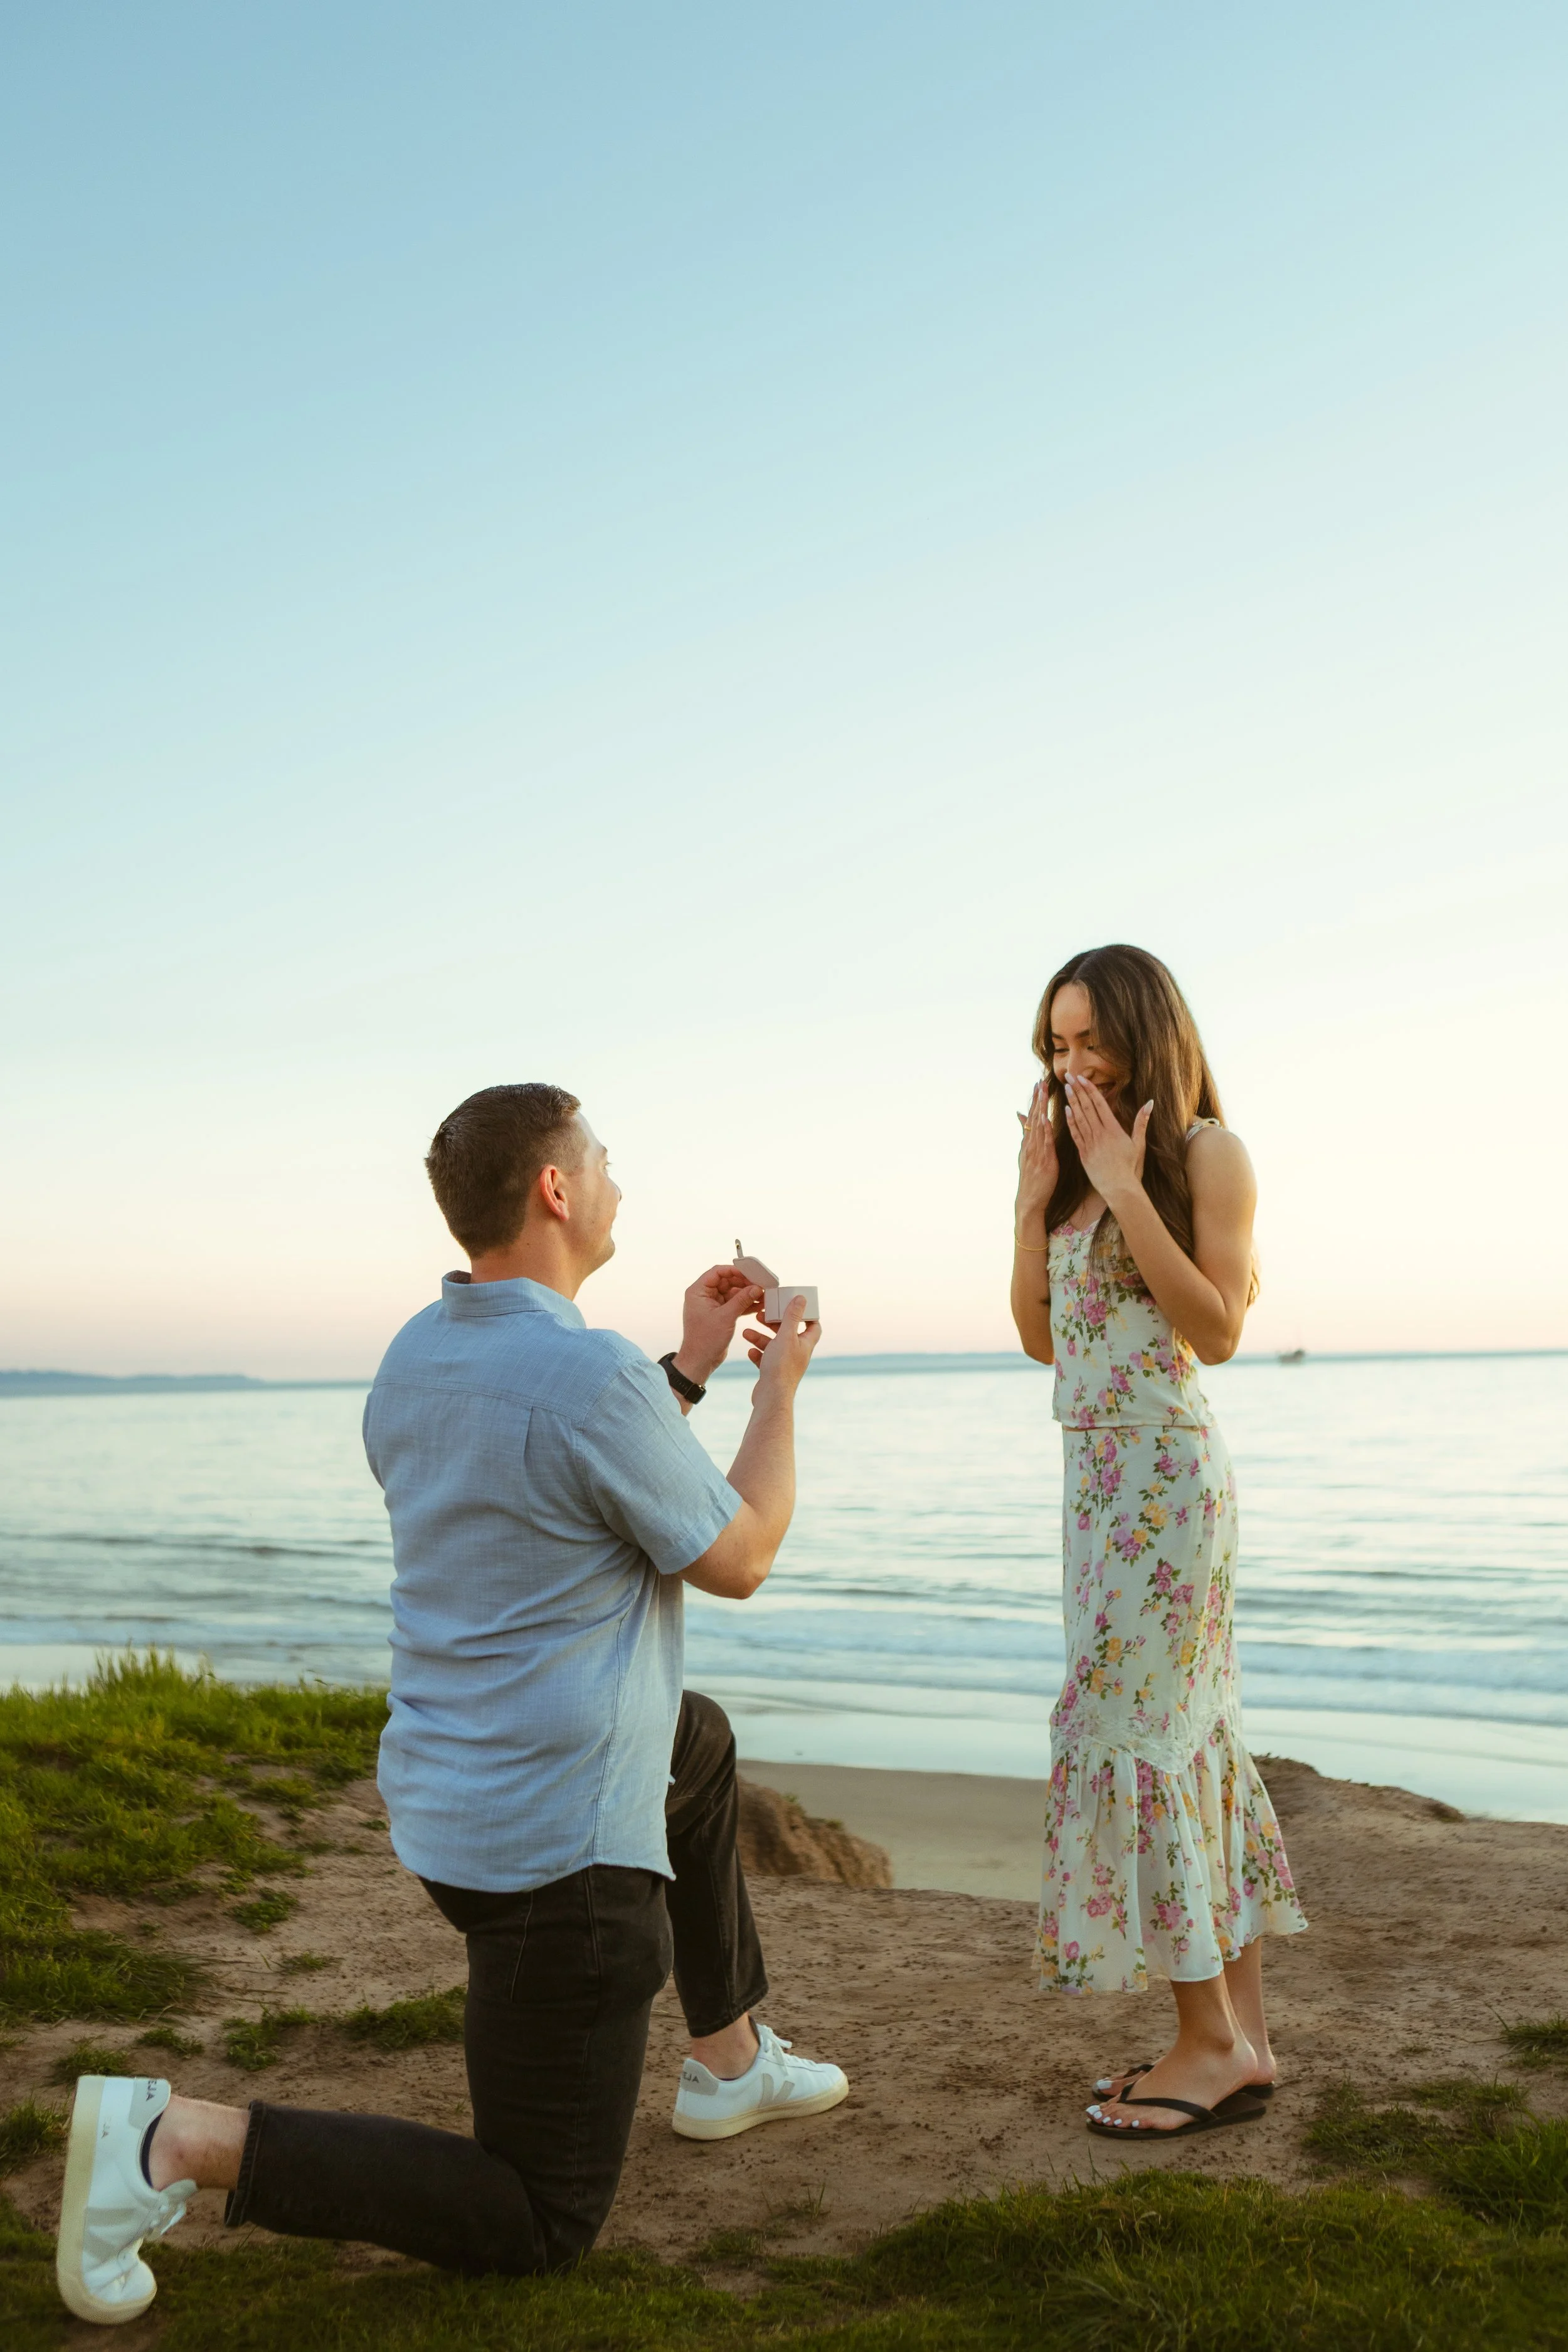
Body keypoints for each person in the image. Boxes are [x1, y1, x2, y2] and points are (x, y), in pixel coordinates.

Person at [55, 1082, 847, 2326]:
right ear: (554, 1189)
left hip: (450, 1801)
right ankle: (173, 2140)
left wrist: (683, 1368)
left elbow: (556, 1483)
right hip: (557, 1864)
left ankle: (727, 2060)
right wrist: (776, 1388)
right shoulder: (587, 1379)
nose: (614, 1178)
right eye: (600, 1157)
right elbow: (738, 1556)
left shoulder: (418, 1356)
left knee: (692, 1740)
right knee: (536, 2219)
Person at [1010, 946, 1306, 2140]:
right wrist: (1036, 1200)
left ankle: (1208, 2042)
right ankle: (1240, 2039)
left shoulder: (1205, 1152)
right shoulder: (1071, 1163)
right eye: (1055, 1045)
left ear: (1142, 1030)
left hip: (1167, 1481)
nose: (1071, 1064)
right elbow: (1040, 1336)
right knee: (1169, 1735)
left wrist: (1130, 1187)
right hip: (1096, 1480)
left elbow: (1222, 1328)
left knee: (1140, 1730)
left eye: (1090, 1040)